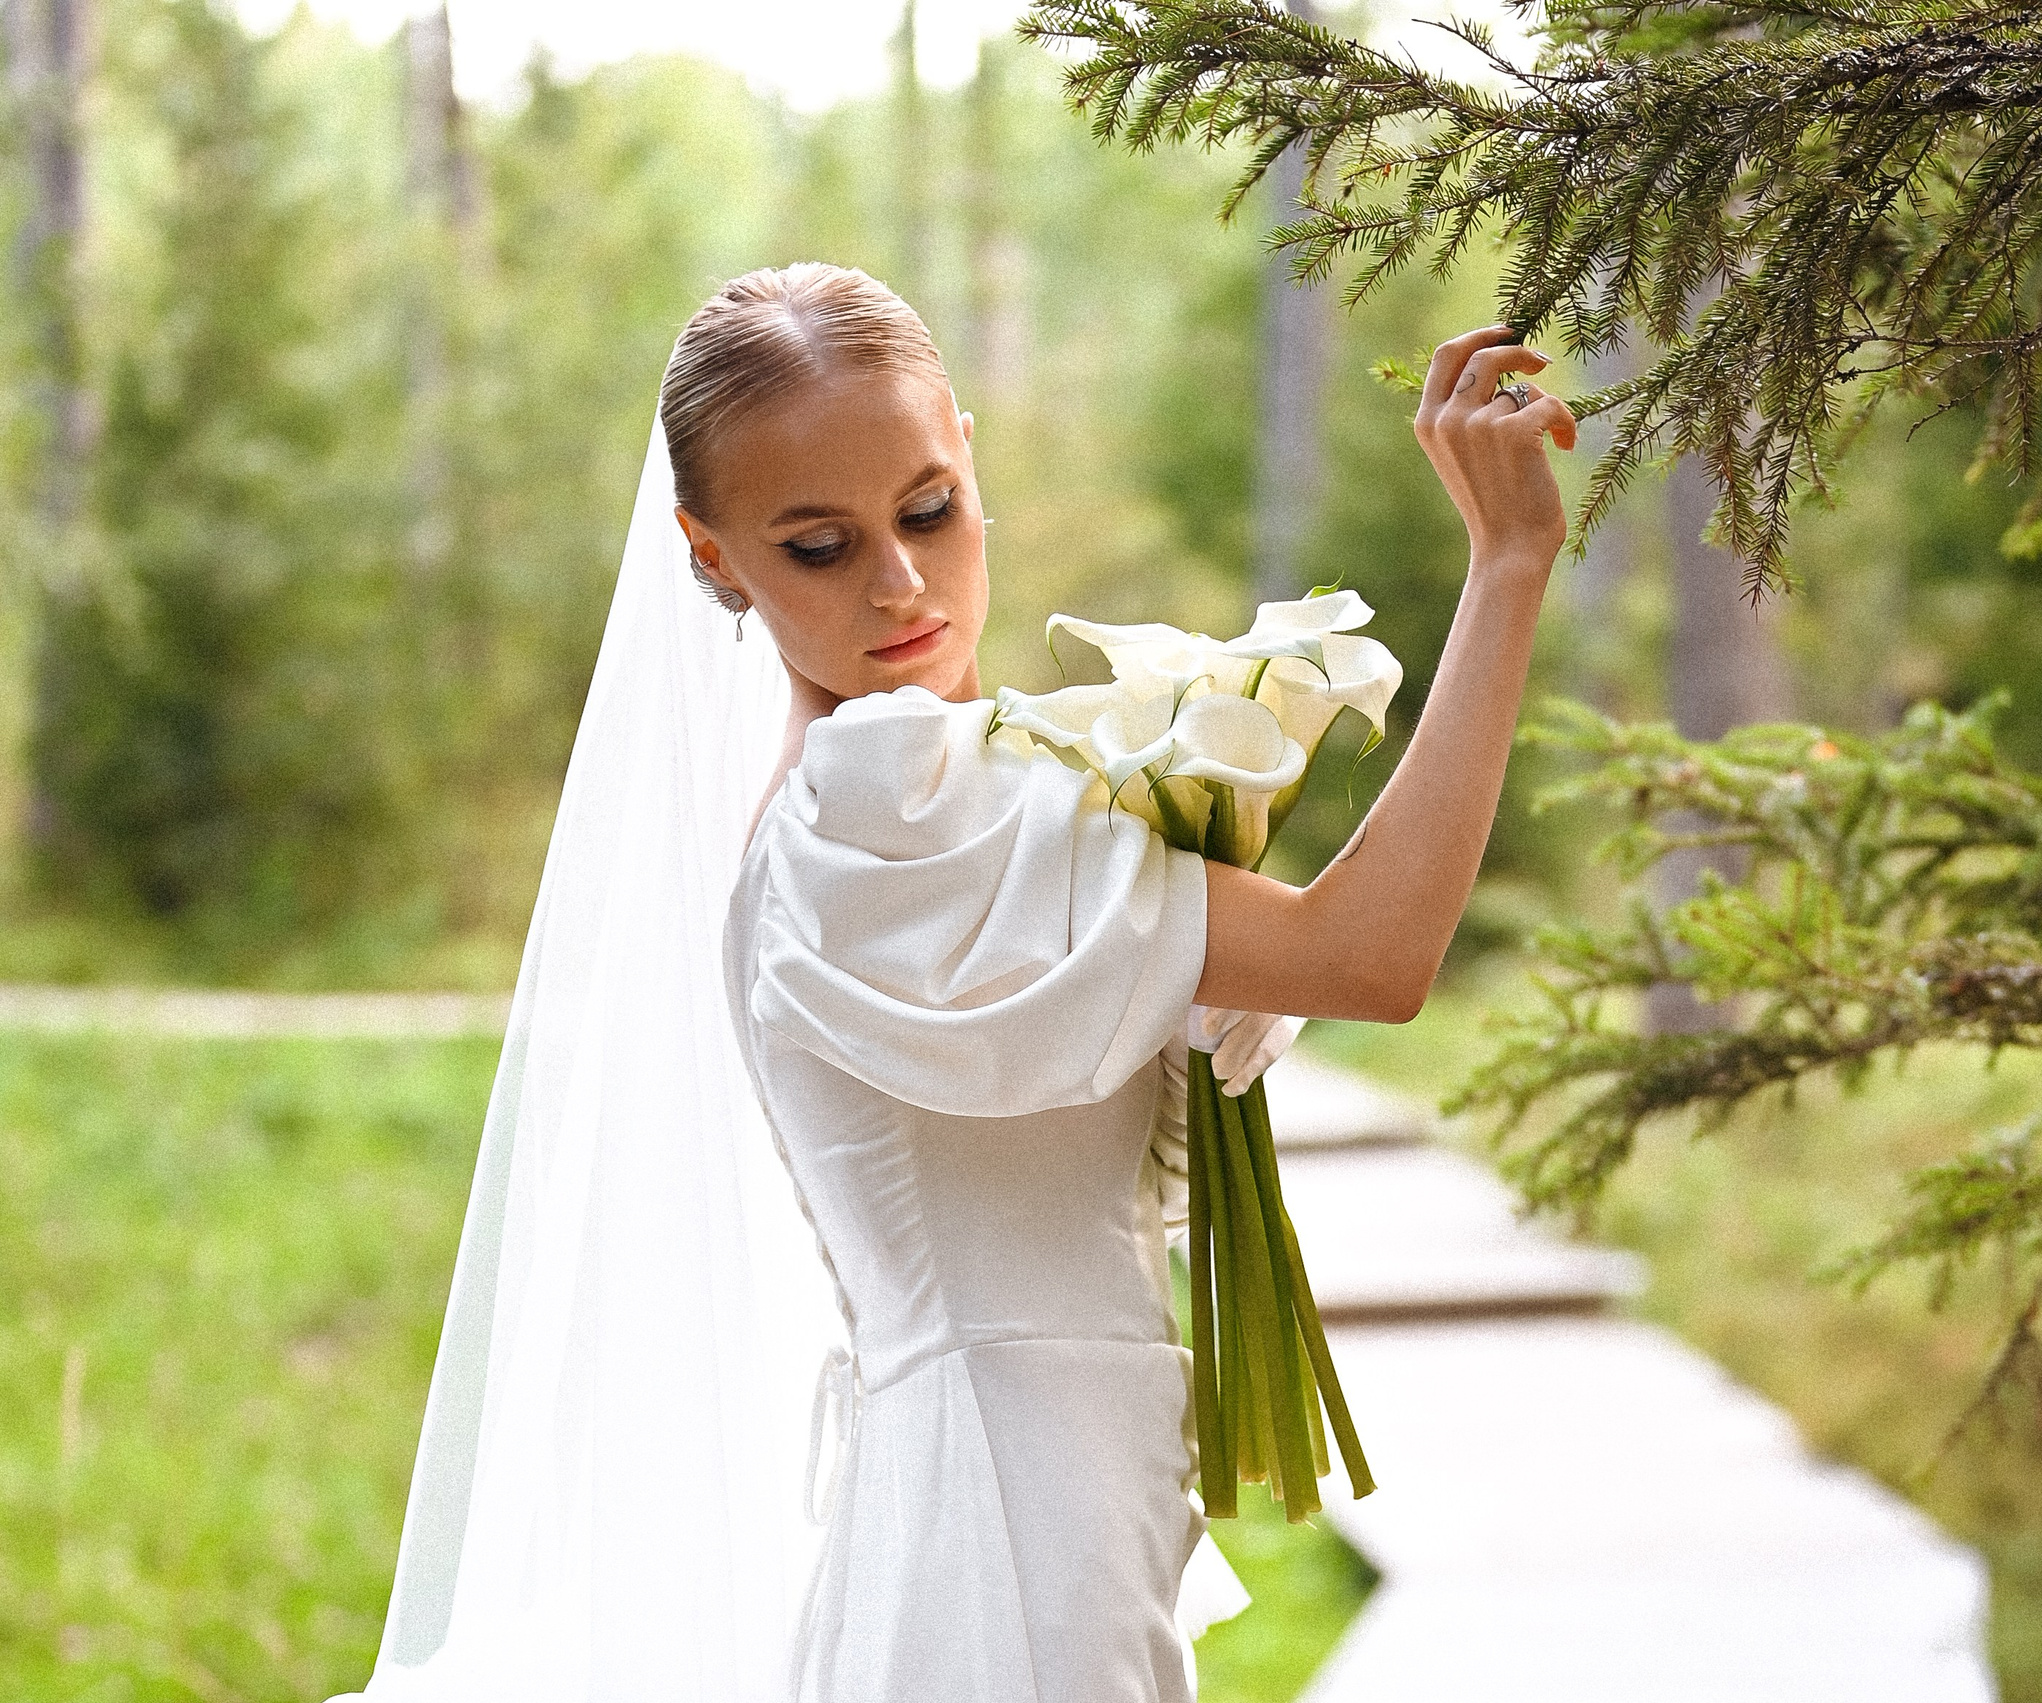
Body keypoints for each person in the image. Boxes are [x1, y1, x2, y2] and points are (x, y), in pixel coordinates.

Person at [342, 262, 1573, 1703]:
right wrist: (1506, 568)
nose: (901, 583)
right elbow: (1371, 956)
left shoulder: (899, 802)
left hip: (1013, 1489)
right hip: (1012, 1520)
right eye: (817, 546)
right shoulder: (891, 807)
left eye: (926, 508)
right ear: (714, 553)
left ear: (970, 458)